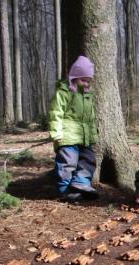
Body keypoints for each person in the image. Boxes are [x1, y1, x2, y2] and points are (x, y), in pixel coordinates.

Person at [49, 55, 98, 202]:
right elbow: (56, 113)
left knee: (89, 159)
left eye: (88, 81)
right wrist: (56, 132)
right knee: (67, 163)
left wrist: (93, 135)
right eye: (83, 80)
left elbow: (91, 118)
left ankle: (81, 183)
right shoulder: (64, 92)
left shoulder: (88, 96)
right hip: (67, 136)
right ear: (74, 77)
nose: (85, 84)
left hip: (84, 137)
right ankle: (64, 190)